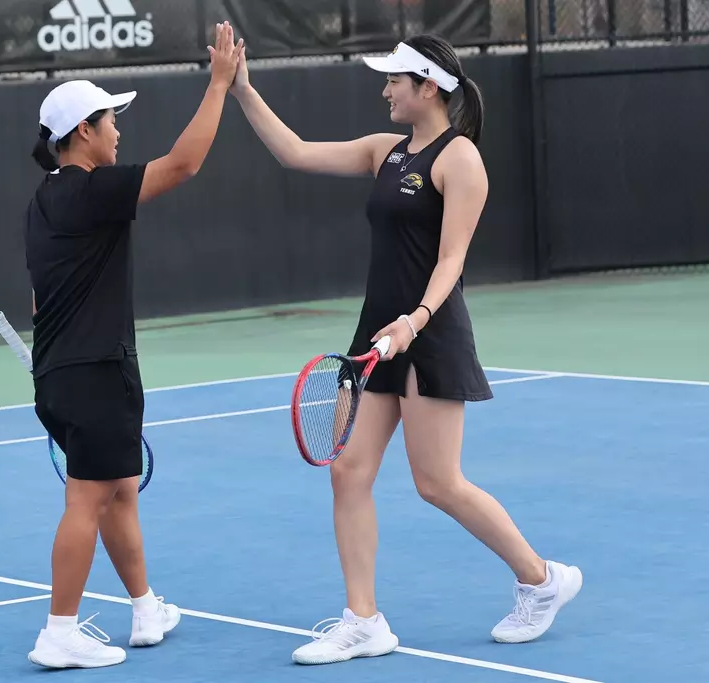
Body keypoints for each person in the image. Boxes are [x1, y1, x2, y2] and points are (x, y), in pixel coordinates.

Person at [229, 35, 582, 664]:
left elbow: (451, 260)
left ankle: (541, 579)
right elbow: (296, 153)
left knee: (438, 482)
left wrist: (413, 323)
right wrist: (242, 89)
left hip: (428, 334)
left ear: (428, 87)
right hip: (375, 337)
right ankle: (362, 620)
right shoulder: (384, 152)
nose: (385, 89)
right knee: (348, 471)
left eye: (394, 80)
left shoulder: (460, 158)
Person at [23, 22, 244, 669]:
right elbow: (185, 164)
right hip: (96, 374)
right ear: (83, 133)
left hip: (64, 374)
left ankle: (145, 606)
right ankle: (59, 630)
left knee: (119, 486)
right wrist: (220, 85)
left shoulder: (42, 203)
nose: (119, 129)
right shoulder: (92, 191)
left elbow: (40, 296)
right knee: (88, 497)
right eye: (111, 119)